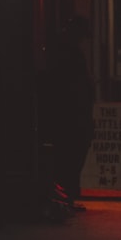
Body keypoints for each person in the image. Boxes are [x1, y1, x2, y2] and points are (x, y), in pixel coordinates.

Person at [37, 15, 95, 219]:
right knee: (69, 158)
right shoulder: (67, 54)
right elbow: (71, 86)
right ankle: (64, 198)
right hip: (71, 115)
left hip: (73, 114)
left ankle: (66, 197)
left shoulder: (66, 52)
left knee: (71, 158)